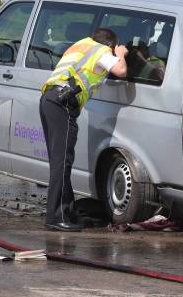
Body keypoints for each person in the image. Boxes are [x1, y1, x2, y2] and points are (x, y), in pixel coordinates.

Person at [39, 28, 128, 232]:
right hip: (63, 103)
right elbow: (121, 71)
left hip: (49, 99)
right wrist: (120, 54)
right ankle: (55, 217)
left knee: (59, 162)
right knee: (62, 163)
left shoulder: (82, 44)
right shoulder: (102, 51)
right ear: (111, 45)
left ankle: (67, 213)